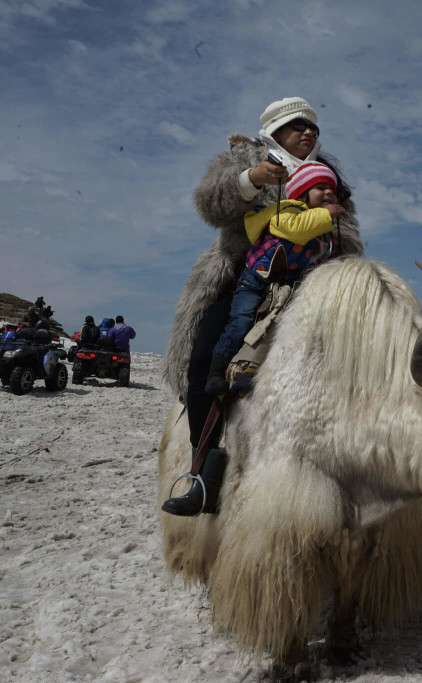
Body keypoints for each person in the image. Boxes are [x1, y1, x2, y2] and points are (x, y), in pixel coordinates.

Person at [161, 96, 363, 518]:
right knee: (203, 360)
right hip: (245, 273)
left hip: (313, 280)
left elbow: (346, 235)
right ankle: (203, 475)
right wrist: (250, 179)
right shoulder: (246, 159)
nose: (308, 131)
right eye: (298, 124)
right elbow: (209, 204)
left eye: (313, 126)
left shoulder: (329, 177)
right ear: (274, 130)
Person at [204, 162, 344, 395]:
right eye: (320, 188)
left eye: (332, 189)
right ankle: (216, 370)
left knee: (284, 330)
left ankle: (258, 372)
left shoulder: (321, 232)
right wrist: (326, 214)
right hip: (256, 281)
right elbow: (298, 230)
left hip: (287, 287)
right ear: (302, 193)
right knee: (241, 321)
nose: (329, 192)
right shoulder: (286, 212)